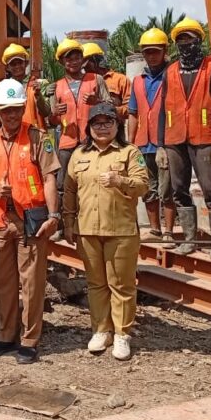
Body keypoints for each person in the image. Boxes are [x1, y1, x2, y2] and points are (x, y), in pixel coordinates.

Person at [0, 80, 60, 364]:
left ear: (23, 109)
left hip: (30, 220)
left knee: (32, 282)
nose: (11, 115)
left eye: (15, 109)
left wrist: (53, 216)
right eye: (5, 110)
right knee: (4, 282)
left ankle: (29, 339)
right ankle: (4, 335)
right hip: (0, 220)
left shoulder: (38, 138)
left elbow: (49, 178)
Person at [63, 102, 148, 360]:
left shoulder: (130, 152)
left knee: (121, 284)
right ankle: (101, 330)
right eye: (97, 123)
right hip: (88, 229)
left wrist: (120, 180)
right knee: (96, 283)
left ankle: (122, 334)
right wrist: (68, 222)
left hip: (121, 229)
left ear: (117, 125)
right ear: (89, 127)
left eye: (107, 122)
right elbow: (69, 190)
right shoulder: (79, 154)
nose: (102, 128)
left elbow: (143, 185)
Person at [156, 17, 211, 260]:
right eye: (181, 40)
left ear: (199, 40)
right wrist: (160, 146)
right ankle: (189, 239)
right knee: (179, 189)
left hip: (204, 138)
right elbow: (162, 110)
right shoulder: (170, 71)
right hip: (174, 139)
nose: (186, 44)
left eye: (189, 39)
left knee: (210, 189)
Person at [127, 28, 176, 242]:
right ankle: (155, 230)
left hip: (166, 143)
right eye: (147, 52)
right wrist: (130, 143)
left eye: (156, 51)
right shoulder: (138, 81)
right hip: (143, 143)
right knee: (148, 189)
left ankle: (169, 232)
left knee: (167, 189)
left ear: (165, 51)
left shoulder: (172, 76)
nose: (152, 56)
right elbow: (133, 113)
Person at [48, 38, 101, 200]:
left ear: (83, 60)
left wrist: (97, 102)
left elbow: (110, 109)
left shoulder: (96, 79)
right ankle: (67, 215)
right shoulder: (56, 86)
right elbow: (52, 121)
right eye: (69, 59)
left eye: (77, 58)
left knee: (93, 181)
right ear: (61, 62)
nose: (74, 62)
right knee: (63, 185)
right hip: (67, 143)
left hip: (92, 141)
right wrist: (55, 113)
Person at [0, 43, 50, 130]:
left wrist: (38, 96)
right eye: (13, 64)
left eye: (20, 62)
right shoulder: (4, 88)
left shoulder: (40, 84)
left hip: (35, 134)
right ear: (7, 67)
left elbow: (46, 112)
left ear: (26, 63)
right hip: (14, 134)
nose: (17, 66)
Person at [85, 43, 130, 121]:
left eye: (86, 65)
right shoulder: (83, 82)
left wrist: (111, 110)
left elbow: (131, 108)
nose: (84, 68)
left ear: (96, 61)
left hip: (114, 126)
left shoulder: (120, 80)